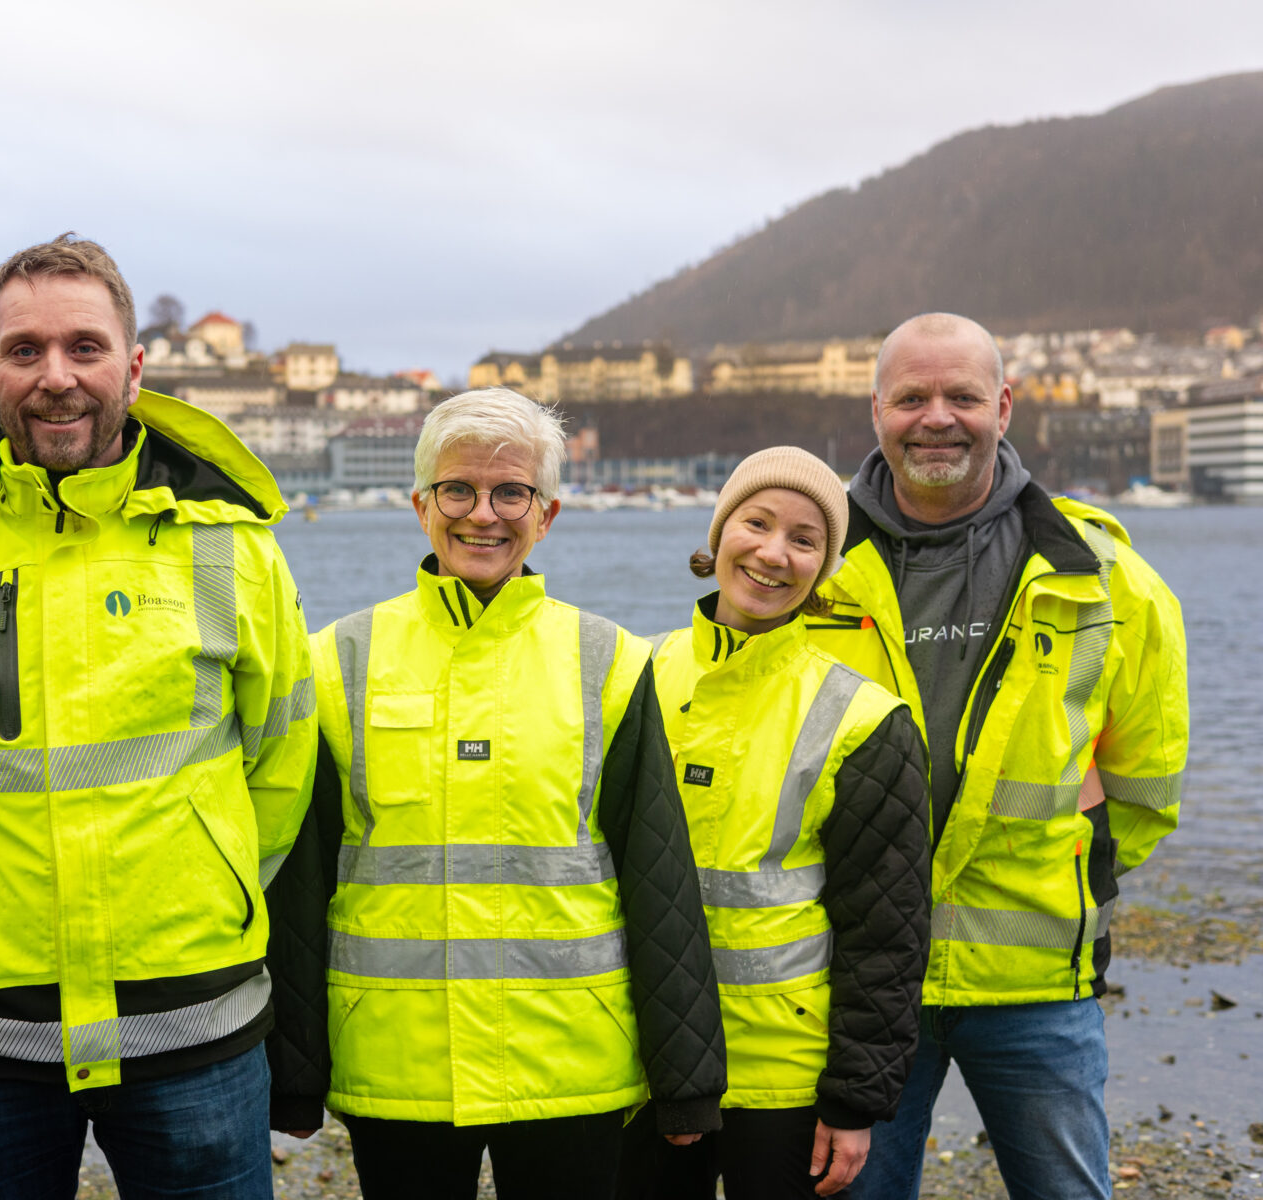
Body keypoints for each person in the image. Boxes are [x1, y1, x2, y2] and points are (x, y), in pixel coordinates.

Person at [0, 234, 316, 1199]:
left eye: (85, 347)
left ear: (134, 366)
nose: (56, 377)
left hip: (192, 1018)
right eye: (25, 350)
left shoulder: (233, 552)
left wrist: (212, 879)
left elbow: (282, 761)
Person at [265, 387, 727, 1200]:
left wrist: (685, 1078)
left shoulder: (610, 661)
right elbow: (300, 882)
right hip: (395, 1060)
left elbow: (659, 878)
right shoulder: (335, 660)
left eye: (511, 492)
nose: (483, 514)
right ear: (421, 505)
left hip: (571, 1062)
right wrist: (294, 1070)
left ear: (547, 515)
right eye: (458, 490)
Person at [805, 313, 1188, 1200]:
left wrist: (1070, 875)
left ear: (1005, 407)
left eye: (963, 396)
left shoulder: (1106, 578)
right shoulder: (809, 568)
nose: (937, 417)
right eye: (912, 397)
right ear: (876, 411)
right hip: (858, 979)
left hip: (1035, 982)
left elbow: (1147, 788)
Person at [617, 448, 931, 1199]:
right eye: (756, 523)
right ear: (719, 532)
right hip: (639, 1056)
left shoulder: (864, 719)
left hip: (785, 1076)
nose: (773, 553)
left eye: (804, 539)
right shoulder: (630, 677)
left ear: (824, 569)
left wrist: (855, 1101)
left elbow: (886, 934)